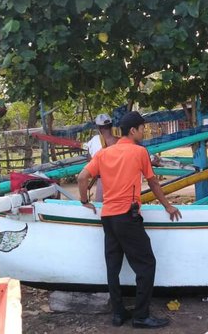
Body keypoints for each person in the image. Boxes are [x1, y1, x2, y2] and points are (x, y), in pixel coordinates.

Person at [77, 111, 182, 329]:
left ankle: (118, 314)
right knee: (146, 265)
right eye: (143, 128)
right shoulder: (139, 152)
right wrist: (168, 206)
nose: (145, 132)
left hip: (108, 218)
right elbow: (153, 183)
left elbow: (82, 177)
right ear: (133, 130)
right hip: (128, 216)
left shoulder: (104, 153)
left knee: (113, 267)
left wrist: (83, 200)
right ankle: (141, 316)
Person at [83, 114, 119, 201]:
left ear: (98, 128)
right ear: (111, 125)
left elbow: (89, 162)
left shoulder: (94, 141)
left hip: (103, 181)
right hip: (120, 181)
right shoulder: (120, 141)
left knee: (101, 208)